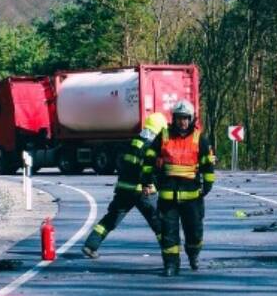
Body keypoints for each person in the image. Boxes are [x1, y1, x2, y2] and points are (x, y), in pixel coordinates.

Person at [81, 112, 168, 259]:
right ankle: (169, 252)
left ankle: (90, 245)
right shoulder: (152, 147)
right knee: (158, 222)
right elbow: (149, 171)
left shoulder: (135, 142)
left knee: (111, 218)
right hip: (143, 191)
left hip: (124, 188)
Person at [149, 100, 215, 276]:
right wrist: (150, 179)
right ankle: (171, 265)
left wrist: (207, 186)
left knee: (194, 232)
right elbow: (149, 159)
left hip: (192, 198)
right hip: (168, 198)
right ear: (174, 118)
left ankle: (193, 255)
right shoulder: (163, 136)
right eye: (179, 118)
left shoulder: (199, 138)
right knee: (168, 233)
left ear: (191, 119)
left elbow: (207, 165)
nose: (182, 122)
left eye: (185, 118)